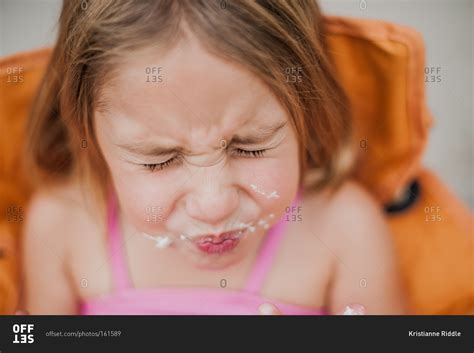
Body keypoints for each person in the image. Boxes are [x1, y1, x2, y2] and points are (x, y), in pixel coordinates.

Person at [20, 0, 406, 315]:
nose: (214, 205)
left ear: (308, 115)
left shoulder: (343, 230)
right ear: (87, 134)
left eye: (250, 146)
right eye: (160, 159)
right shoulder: (61, 227)